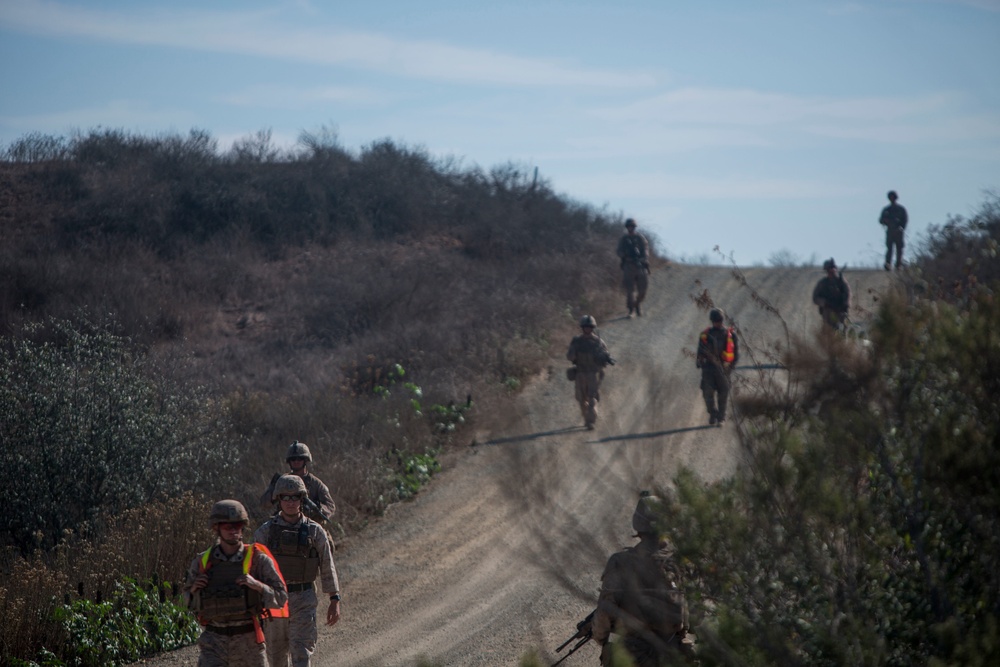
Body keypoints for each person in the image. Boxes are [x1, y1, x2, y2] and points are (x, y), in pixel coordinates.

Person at [591, 492, 696, 666]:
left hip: (634, 655)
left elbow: (604, 610)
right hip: (672, 653)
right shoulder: (679, 562)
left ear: (637, 526)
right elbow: (696, 613)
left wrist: (600, 638)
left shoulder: (620, 562)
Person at [183, 500, 288, 667]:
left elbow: (281, 597)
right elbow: (185, 602)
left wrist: (258, 586)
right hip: (213, 644)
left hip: (249, 643)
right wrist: (194, 589)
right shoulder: (203, 561)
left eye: (237, 525)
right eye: (227, 526)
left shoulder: (257, 559)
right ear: (216, 528)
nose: (233, 530)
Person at [254, 474, 341, 667]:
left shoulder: (315, 531)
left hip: (304, 599)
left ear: (302, 499)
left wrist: (334, 598)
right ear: (279, 499)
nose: (290, 502)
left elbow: (327, 564)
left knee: (301, 655)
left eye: (295, 497)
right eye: (286, 497)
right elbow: (255, 570)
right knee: (276, 659)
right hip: (275, 602)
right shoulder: (264, 533)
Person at [260, 441, 336, 524]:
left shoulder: (315, 483)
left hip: (310, 526)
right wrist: (274, 492)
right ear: (289, 461)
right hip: (284, 524)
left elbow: (330, 506)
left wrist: (317, 510)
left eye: (300, 459)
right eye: (293, 459)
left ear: (306, 460)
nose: (296, 461)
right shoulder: (282, 481)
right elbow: (264, 504)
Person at [566, 315, 615, 430]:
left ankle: (590, 421)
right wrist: (573, 354)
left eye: (589, 327)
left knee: (592, 398)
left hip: (594, 374)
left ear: (592, 328)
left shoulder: (598, 342)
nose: (587, 329)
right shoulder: (577, 341)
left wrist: (602, 359)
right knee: (581, 398)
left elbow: (606, 357)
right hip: (580, 374)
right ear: (582, 328)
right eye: (585, 327)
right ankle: (586, 417)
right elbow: (569, 356)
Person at [696, 309, 738, 427]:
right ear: (712, 321)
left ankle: (721, 418)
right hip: (708, 369)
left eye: (719, 321)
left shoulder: (730, 335)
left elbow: (735, 354)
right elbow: (700, 351)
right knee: (707, 394)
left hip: (723, 369)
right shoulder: (705, 335)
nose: (717, 323)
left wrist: (730, 368)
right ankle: (713, 413)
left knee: (723, 394)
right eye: (715, 321)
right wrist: (699, 362)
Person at [617, 218, 650, 317]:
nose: (630, 228)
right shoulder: (623, 239)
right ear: (627, 227)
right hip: (629, 265)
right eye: (629, 227)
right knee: (630, 290)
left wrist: (643, 259)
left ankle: (637, 304)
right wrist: (625, 256)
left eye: (632, 226)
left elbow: (645, 250)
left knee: (643, 290)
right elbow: (619, 251)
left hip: (640, 265)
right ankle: (631, 310)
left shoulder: (640, 238)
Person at [812, 258, 851, 330]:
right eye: (829, 270)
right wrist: (825, 302)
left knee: (842, 332)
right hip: (828, 312)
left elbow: (847, 294)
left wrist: (845, 305)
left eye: (832, 269)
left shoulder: (841, 282)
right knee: (827, 333)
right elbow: (815, 298)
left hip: (840, 312)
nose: (831, 271)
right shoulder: (823, 283)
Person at [879, 190, 908, 271]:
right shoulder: (886, 209)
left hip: (898, 231)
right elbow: (881, 220)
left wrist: (901, 227)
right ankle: (888, 264)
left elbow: (905, 220)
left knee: (899, 249)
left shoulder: (901, 209)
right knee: (889, 249)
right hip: (890, 231)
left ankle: (898, 265)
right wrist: (885, 221)